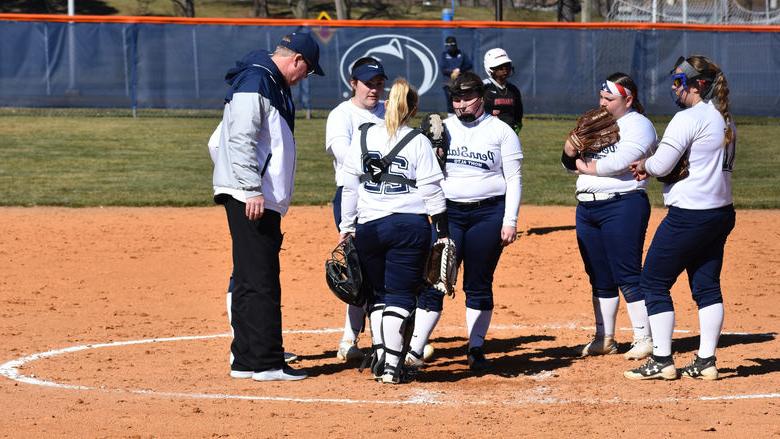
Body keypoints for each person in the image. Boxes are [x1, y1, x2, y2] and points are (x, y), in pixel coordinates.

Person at [211, 32, 324, 382]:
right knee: (261, 280)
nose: (304, 78)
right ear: (298, 61)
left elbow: (216, 142)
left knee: (249, 277)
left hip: (251, 194)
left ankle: (246, 359)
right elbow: (238, 137)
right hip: (252, 197)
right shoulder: (259, 79)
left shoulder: (265, 79)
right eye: (306, 71)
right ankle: (265, 362)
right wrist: (249, 187)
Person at [624, 55, 736, 381]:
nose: (674, 87)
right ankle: (706, 361)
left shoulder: (688, 118)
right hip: (720, 212)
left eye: (679, 81)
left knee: (653, 282)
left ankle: (661, 360)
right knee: (707, 286)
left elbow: (660, 166)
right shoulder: (726, 118)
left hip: (690, 213)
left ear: (696, 85)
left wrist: (646, 163)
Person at [405, 71, 523, 372]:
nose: (461, 104)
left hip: (488, 213)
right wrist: (434, 153)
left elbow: (514, 177)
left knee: (479, 283)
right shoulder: (441, 129)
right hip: (450, 214)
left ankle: (476, 348)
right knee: (436, 278)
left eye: (467, 98)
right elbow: (424, 176)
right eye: (456, 98)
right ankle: (416, 349)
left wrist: (510, 220)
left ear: (481, 97)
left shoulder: (501, 131)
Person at [339, 78, 448, 384]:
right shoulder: (418, 141)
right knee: (400, 295)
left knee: (377, 295)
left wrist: (346, 227)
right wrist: (442, 231)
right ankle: (391, 368)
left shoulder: (362, 137)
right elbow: (431, 191)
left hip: (369, 226)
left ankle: (381, 355)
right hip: (409, 227)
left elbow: (348, 187)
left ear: (387, 105)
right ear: (412, 109)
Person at [561, 73, 657, 361]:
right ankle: (605, 337)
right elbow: (567, 164)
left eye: (610, 99)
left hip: (623, 204)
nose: (602, 104)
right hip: (587, 208)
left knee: (627, 273)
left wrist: (584, 165)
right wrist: (569, 151)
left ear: (628, 99)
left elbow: (618, 163)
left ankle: (644, 337)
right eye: (601, 97)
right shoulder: (598, 122)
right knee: (599, 276)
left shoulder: (640, 125)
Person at [325, 57, 387, 362]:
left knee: (386, 270)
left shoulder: (390, 111)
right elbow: (343, 154)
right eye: (368, 83)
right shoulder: (341, 115)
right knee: (358, 273)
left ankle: (384, 339)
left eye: (378, 83)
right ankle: (349, 340)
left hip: (388, 197)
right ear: (354, 84)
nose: (374, 90)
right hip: (353, 196)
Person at [482, 48, 524, 134]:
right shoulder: (483, 88)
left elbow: (518, 113)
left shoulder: (513, 90)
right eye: (500, 67)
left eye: (507, 66)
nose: (505, 70)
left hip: (509, 134)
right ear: (491, 69)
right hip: (487, 134)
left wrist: (515, 129)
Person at [440, 36, 473, 116]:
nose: (450, 48)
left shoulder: (461, 54)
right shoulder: (444, 55)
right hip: (448, 83)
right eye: (448, 46)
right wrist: (452, 72)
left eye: (452, 46)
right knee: (450, 100)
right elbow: (443, 68)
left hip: (461, 82)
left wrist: (459, 70)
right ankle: (450, 117)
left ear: (455, 45)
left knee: (461, 100)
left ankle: (462, 116)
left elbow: (469, 65)